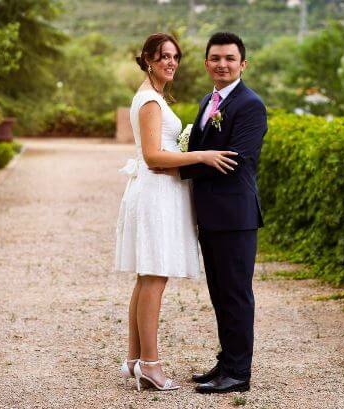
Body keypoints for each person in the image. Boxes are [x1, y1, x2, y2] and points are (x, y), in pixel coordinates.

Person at [114, 32, 239, 392]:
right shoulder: (150, 101)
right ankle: (150, 366)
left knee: (146, 277)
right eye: (163, 56)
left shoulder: (152, 97)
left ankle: (135, 359)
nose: (171, 63)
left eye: (175, 57)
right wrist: (201, 155)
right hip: (155, 193)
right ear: (148, 59)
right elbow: (153, 157)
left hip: (155, 191)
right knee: (154, 277)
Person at [179, 32, 268, 394]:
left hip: (235, 217)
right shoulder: (208, 101)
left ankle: (238, 374)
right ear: (206, 63)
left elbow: (235, 160)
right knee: (219, 292)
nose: (222, 64)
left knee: (235, 294)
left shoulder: (250, 105)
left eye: (230, 58)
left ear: (243, 64)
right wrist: (189, 157)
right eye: (215, 58)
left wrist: (177, 166)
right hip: (211, 215)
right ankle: (226, 361)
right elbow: (202, 148)